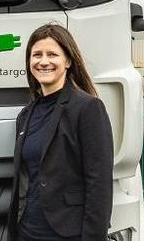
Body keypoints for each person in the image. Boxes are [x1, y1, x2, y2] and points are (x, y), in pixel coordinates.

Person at [7, 23, 113, 241]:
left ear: (68, 61)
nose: (43, 61)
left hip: (68, 235)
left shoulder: (88, 108)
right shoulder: (25, 116)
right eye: (37, 55)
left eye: (52, 54)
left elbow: (99, 183)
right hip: (27, 232)